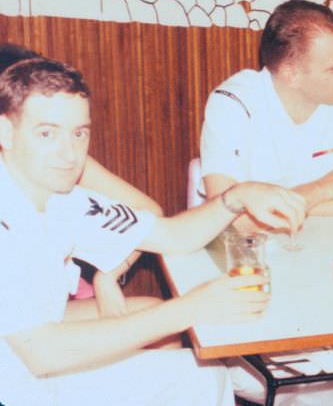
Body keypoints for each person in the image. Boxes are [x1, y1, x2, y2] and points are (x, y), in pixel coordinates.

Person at [0, 57, 306, 406]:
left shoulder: (64, 200)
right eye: (46, 133)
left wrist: (235, 198)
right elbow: (41, 352)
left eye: (79, 133)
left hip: (36, 374)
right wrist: (189, 308)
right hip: (18, 386)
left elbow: (172, 236)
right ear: (6, 132)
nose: (69, 153)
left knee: (207, 376)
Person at [201, 0, 333, 221]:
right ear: (291, 74)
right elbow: (228, 219)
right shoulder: (233, 104)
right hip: (260, 248)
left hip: (328, 242)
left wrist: (291, 206)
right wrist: (320, 190)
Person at [0, 43, 164, 317]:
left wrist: (107, 275)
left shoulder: (61, 160)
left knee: (156, 317)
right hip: (17, 323)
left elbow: (148, 212)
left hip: (60, 300)